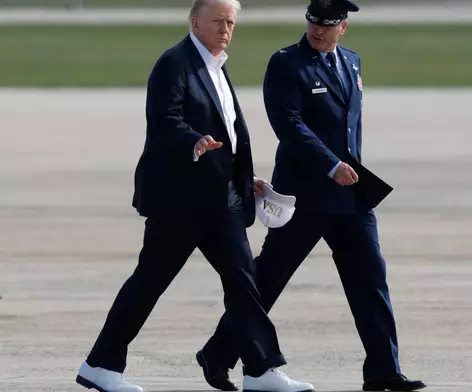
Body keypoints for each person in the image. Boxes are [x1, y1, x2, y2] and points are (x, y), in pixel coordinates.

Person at [74, 1, 315, 392]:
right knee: (149, 282)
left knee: (243, 283)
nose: (225, 29)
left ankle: (261, 370)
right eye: (217, 21)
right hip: (180, 202)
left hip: (222, 202)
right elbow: (164, 118)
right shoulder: (175, 63)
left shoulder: (217, 67)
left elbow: (229, 133)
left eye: (231, 22)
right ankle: (100, 365)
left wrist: (243, 176)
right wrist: (194, 140)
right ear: (195, 21)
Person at [195, 0, 427, 391]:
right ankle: (218, 353)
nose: (317, 31)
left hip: (351, 198)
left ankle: (384, 370)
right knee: (267, 280)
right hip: (304, 196)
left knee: (371, 280)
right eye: (313, 23)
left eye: (327, 25)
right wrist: (330, 164)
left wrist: (347, 170)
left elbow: (349, 126)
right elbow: (289, 124)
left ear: (343, 28)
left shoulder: (351, 62)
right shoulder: (287, 63)